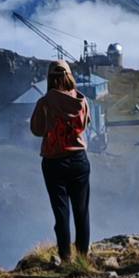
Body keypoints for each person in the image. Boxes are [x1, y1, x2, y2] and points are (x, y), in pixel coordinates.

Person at [30, 60, 91, 265]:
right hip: (79, 160)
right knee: (81, 211)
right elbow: (85, 123)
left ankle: (65, 257)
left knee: (61, 212)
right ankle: (82, 257)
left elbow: (37, 130)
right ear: (70, 75)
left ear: (49, 78)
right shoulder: (81, 101)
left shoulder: (45, 102)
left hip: (54, 161)